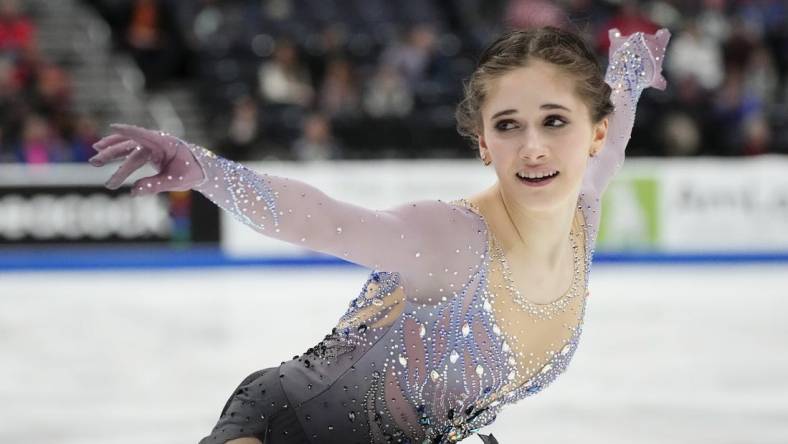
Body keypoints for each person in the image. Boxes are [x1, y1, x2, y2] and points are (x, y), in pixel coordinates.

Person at [88, 25, 670, 444]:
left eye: (555, 121)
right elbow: (320, 218)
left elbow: (617, 127)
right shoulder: (451, 239)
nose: (534, 147)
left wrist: (631, 71)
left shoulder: (583, 207)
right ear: (483, 143)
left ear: (591, 134)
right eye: (508, 126)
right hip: (288, 427)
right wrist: (210, 170)